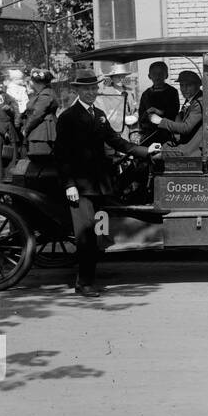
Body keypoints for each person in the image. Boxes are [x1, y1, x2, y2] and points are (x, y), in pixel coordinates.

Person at [54, 70, 152, 297]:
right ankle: (84, 283)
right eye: (87, 89)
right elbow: (61, 155)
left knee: (94, 237)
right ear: (77, 90)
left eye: (94, 89)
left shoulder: (98, 114)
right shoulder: (68, 118)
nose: (92, 93)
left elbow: (116, 140)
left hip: (98, 184)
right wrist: (69, 185)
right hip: (79, 187)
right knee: (85, 236)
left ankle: (87, 280)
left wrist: (145, 151)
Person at [147, 70, 205, 158]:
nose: (184, 89)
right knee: (153, 148)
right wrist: (161, 113)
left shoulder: (199, 102)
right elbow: (180, 118)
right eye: (182, 85)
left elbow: (185, 128)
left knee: (153, 157)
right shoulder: (191, 99)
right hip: (184, 143)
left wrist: (160, 121)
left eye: (188, 85)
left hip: (191, 149)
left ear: (197, 85)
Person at [137, 61, 181, 144]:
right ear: (149, 76)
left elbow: (174, 111)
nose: (157, 77)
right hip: (149, 134)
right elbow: (141, 115)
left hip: (166, 133)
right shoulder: (146, 94)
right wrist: (147, 113)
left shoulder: (172, 92)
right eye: (154, 73)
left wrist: (160, 112)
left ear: (166, 75)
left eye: (161, 73)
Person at [20, 68, 59, 157]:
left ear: (35, 82)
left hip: (42, 134)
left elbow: (37, 115)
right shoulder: (43, 93)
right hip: (41, 132)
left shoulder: (45, 94)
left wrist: (26, 129)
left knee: (40, 162)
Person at [94, 63, 135, 135]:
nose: (120, 79)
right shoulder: (105, 94)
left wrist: (135, 116)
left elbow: (135, 109)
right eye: (117, 76)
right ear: (112, 78)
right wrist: (122, 119)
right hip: (112, 132)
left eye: (122, 76)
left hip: (128, 132)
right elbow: (103, 115)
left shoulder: (130, 92)